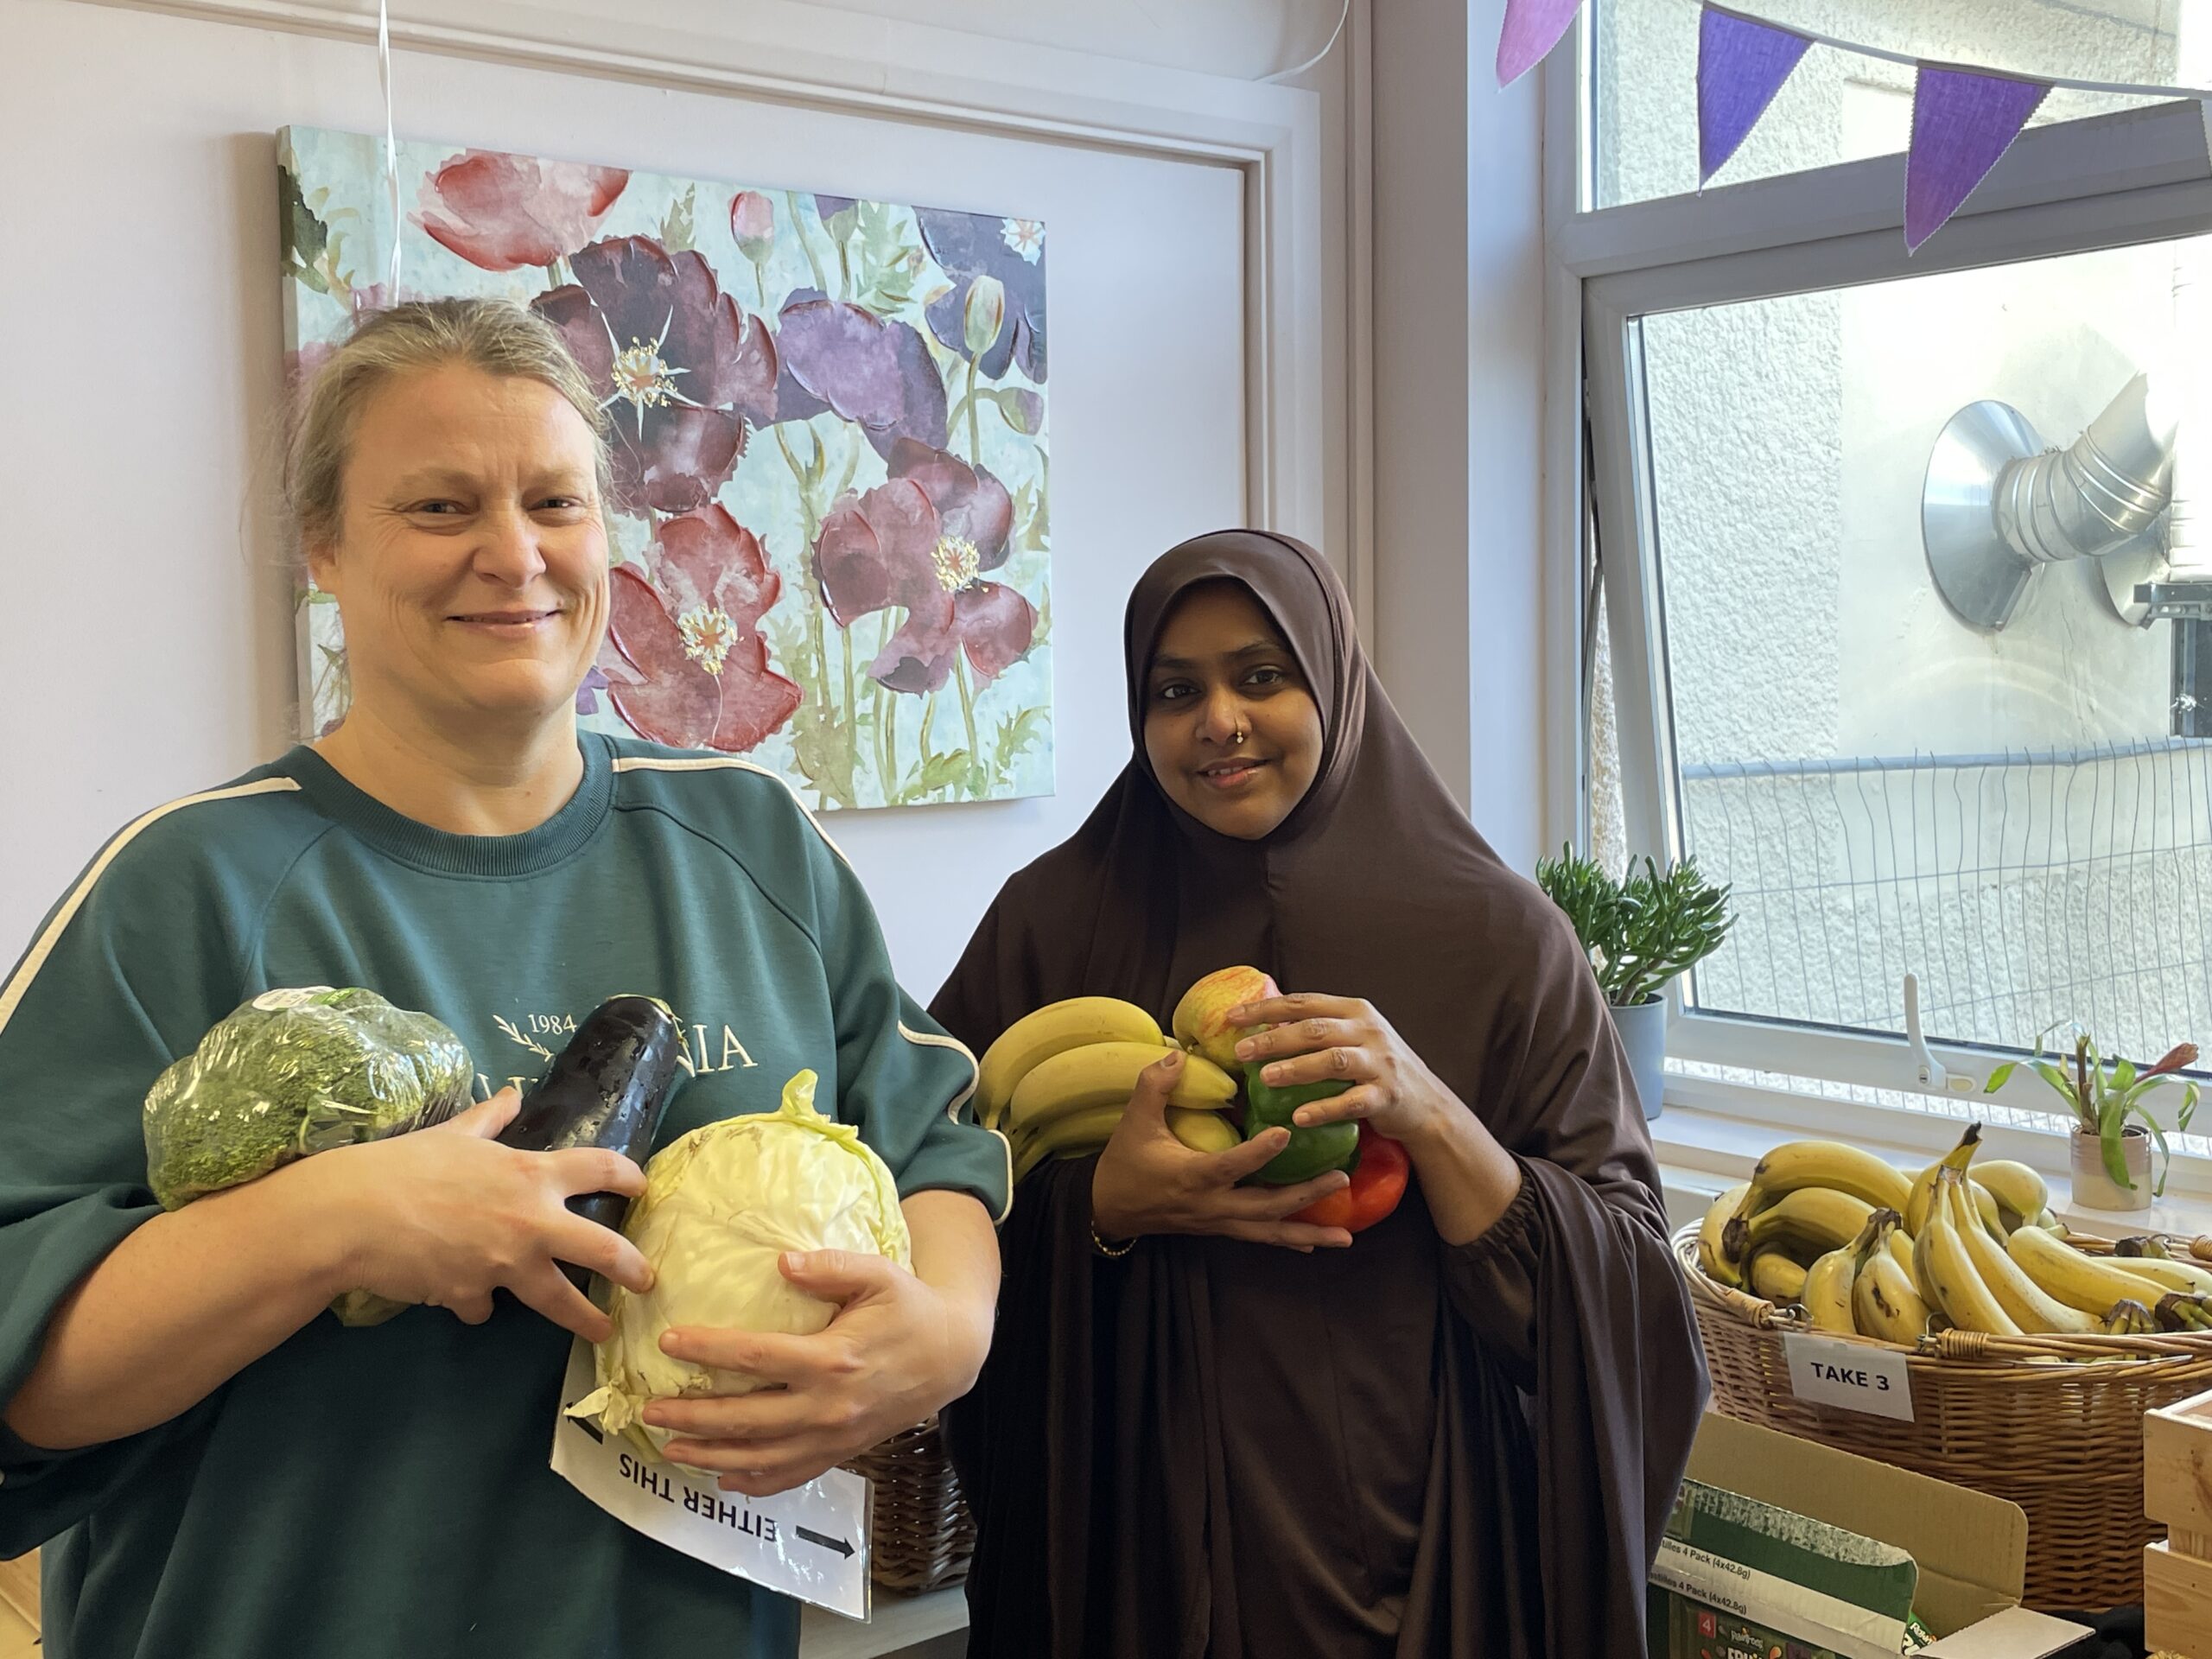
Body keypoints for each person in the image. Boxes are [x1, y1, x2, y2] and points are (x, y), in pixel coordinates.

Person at [0, 298, 1007, 1659]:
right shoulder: (185, 888)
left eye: (556, 501)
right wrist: (333, 1225)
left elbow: (936, 1147)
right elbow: (26, 1374)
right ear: (325, 548)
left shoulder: (753, 842)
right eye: (438, 506)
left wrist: (940, 1336)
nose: (514, 554)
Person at [930, 529, 1707, 1658]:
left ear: (1333, 681)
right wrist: (1100, 1211)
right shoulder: (1050, 927)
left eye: (1261, 676)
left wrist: (1433, 1117)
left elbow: (1632, 1296)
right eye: (1174, 690)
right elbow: (921, 1200)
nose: (1219, 721)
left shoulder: (1495, 939)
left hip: (1416, 1564)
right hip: (1123, 1561)